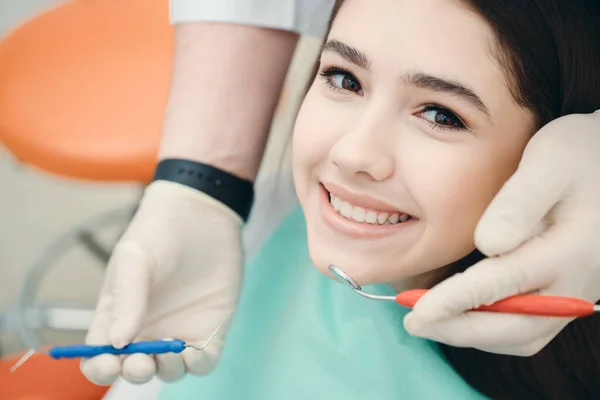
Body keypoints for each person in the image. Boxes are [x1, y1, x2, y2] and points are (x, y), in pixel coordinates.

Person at [81, 0, 600, 390]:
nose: (353, 154)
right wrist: (197, 183)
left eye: (440, 115)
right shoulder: (240, 270)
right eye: (343, 78)